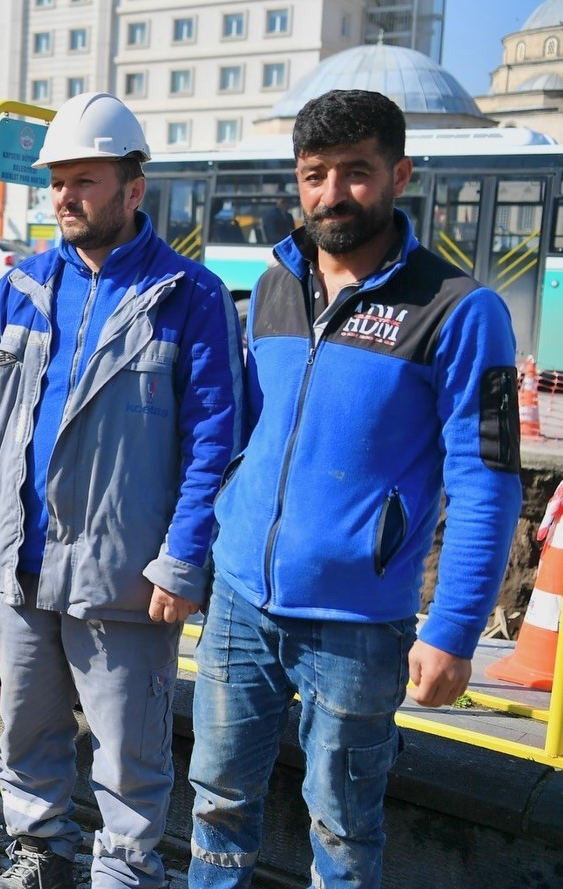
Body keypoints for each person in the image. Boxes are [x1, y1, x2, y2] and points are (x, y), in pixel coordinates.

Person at [187, 89, 523, 889]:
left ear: (400, 173)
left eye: (355, 172)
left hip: (360, 623)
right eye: (313, 175)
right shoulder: (272, 283)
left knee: (342, 828)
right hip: (238, 599)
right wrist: (197, 548)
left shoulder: (460, 309)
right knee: (217, 803)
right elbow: (237, 436)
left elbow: (488, 481)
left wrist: (453, 632)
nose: (331, 194)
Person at [0, 91, 244, 889]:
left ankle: (126, 871)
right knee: (26, 728)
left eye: (85, 180)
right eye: (57, 183)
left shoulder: (190, 296)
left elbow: (215, 441)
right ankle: (38, 853)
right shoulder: (23, 285)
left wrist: (183, 561)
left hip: (125, 576)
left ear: (133, 189)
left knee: (129, 749)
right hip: (22, 561)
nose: (66, 198)